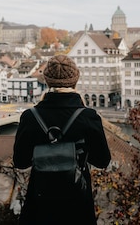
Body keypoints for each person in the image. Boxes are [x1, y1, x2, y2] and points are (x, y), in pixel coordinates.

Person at [13, 55, 111, 225]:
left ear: (46, 80)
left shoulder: (30, 117)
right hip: (77, 202)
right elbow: (102, 161)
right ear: (76, 80)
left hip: (40, 201)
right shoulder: (88, 117)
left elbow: (20, 162)